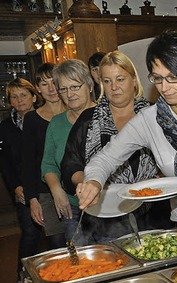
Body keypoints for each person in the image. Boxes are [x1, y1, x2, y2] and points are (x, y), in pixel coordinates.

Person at [76, 31, 177, 225]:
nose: (164, 87)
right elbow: (107, 157)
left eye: (173, 78)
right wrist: (93, 181)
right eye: (157, 78)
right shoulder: (149, 120)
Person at [60, 51, 165, 243]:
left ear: (134, 80)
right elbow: (70, 165)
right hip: (103, 216)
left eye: (120, 79)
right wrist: (93, 183)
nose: (114, 87)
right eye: (107, 81)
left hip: (153, 214)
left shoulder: (156, 116)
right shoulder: (88, 120)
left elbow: (171, 160)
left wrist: (153, 184)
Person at [42, 59, 97, 244]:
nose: (70, 94)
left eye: (74, 86)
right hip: (73, 208)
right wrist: (56, 190)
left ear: (89, 86)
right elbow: (49, 163)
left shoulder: (105, 117)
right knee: (80, 263)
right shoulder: (56, 123)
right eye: (63, 89)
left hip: (106, 205)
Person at [0, 77, 44, 281]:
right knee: (30, 233)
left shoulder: (45, 119)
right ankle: (22, 275)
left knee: (54, 235)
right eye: (14, 97)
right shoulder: (6, 126)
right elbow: (5, 162)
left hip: (46, 183)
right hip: (22, 187)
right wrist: (15, 186)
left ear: (34, 97)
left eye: (23, 95)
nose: (19, 100)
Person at [21, 63, 67, 254]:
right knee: (58, 247)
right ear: (38, 88)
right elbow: (28, 162)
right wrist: (32, 199)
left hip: (77, 188)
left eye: (54, 82)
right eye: (44, 83)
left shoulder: (75, 110)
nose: (51, 88)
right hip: (46, 192)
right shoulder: (32, 119)